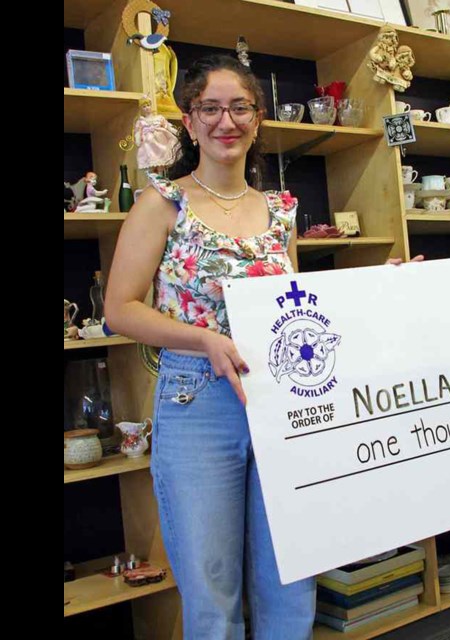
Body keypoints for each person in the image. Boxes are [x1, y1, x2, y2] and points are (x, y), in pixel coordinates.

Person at [104, 54, 314, 639]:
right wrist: (204, 338)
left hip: (279, 400)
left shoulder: (279, 212)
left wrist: (383, 289)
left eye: (240, 107)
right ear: (189, 122)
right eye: (211, 109)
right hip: (196, 403)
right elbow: (119, 310)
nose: (227, 121)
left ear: (258, 117)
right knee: (212, 592)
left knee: (290, 580)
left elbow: (295, 308)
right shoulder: (161, 203)